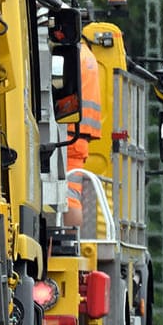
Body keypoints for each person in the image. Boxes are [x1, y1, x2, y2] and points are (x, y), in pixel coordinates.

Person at [58, 41, 103, 233]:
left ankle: (66, 240)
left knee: (69, 197)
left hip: (66, 133)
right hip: (78, 136)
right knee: (71, 192)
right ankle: (69, 239)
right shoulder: (87, 55)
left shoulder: (69, 54)